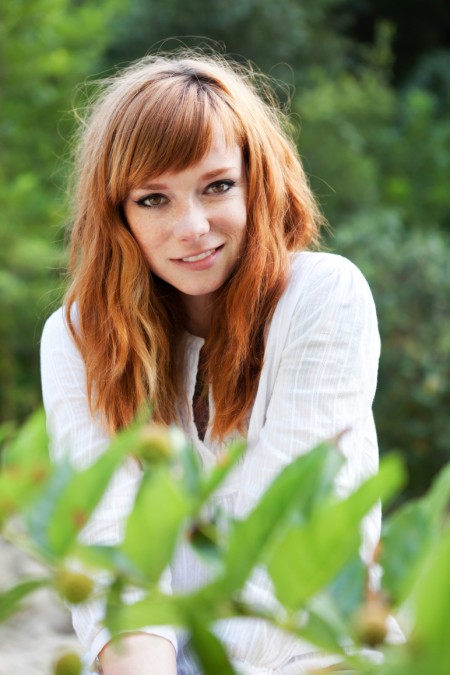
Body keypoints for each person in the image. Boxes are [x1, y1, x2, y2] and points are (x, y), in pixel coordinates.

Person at [41, 51, 383, 675]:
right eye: (153, 199)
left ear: (258, 181)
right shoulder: (78, 337)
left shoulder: (324, 296)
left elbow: (287, 541)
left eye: (217, 186)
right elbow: (111, 554)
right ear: (116, 215)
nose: (192, 227)